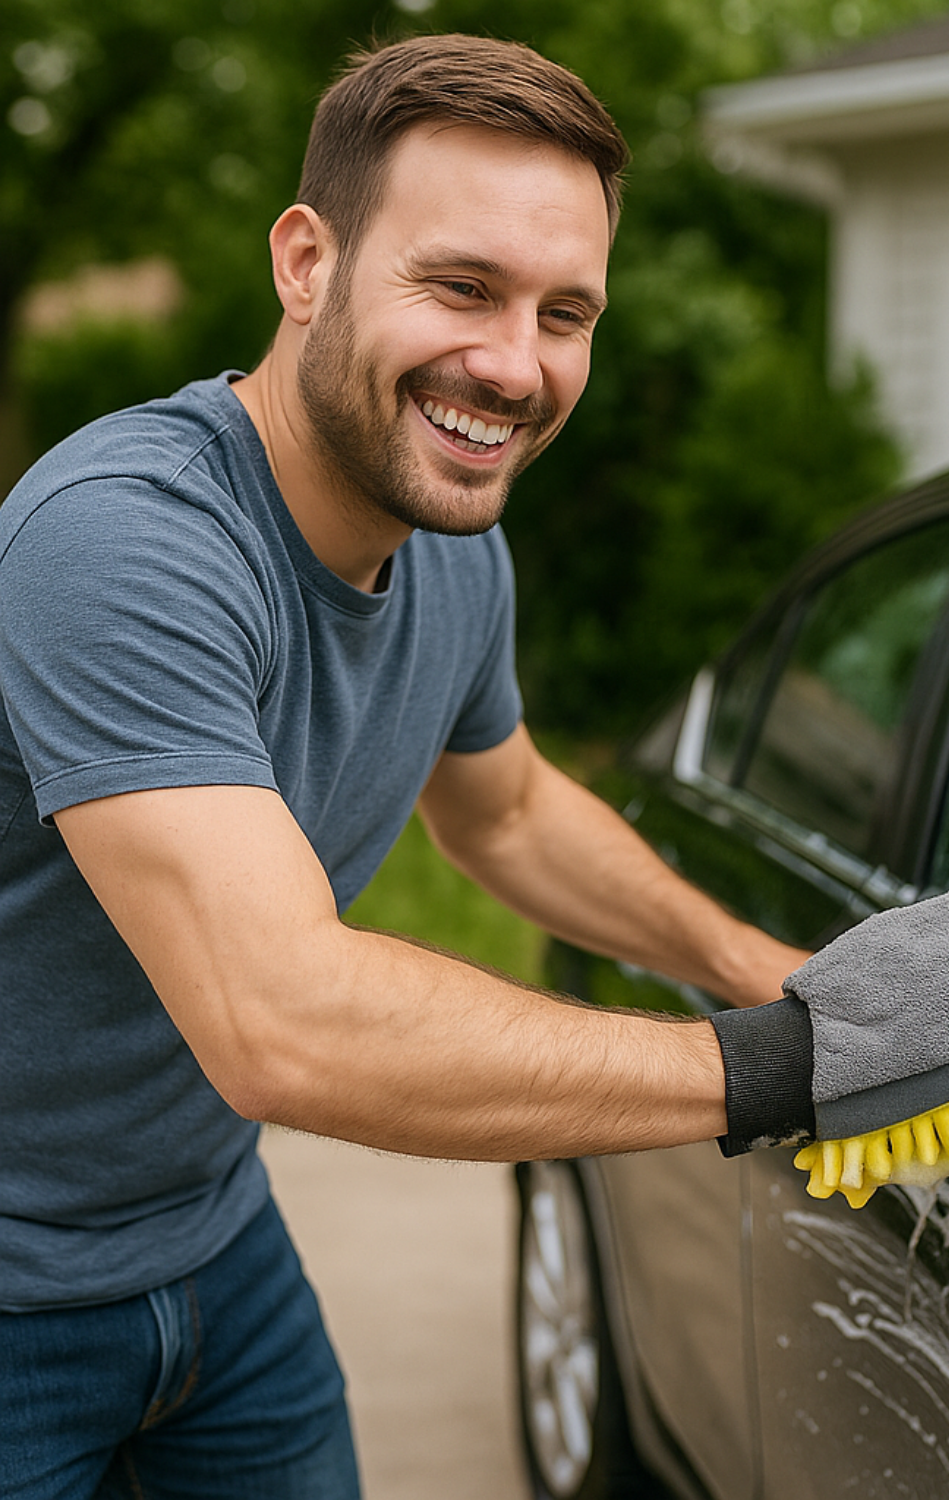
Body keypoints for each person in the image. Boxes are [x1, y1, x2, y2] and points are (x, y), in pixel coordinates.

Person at [0, 34, 811, 1498]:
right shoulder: (123, 540)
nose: (513, 364)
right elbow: (285, 1021)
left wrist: (775, 975)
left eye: (566, 312)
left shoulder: (455, 548)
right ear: (307, 263)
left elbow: (508, 811)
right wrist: (780, 1070)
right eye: (462, 287)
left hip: (210, 1245)